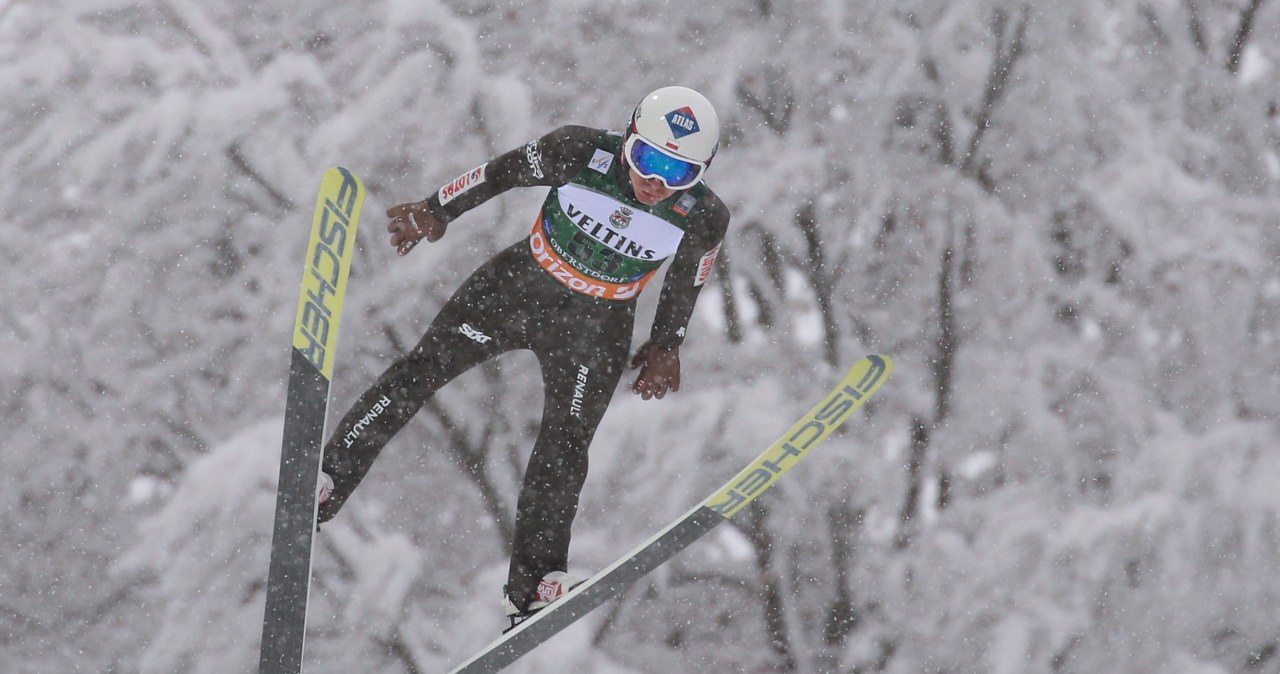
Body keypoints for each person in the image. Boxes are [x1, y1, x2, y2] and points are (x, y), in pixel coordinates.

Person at [315, 86, 731, 621]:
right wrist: (437, 209)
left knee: (565, 445)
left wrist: (667, 344)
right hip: (514, 291)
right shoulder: (580, 151)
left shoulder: (703, 214)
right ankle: (326, 481)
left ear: (700, 174)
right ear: (628, 139)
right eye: (648, 159)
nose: (656, 181)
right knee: (419, 373)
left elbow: (686, 280)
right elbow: (499, 173)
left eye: (678, 173)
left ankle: (536, 583)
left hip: (596, 328)